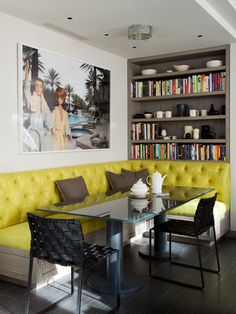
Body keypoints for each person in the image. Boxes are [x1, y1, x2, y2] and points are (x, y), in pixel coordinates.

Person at [23, 60, 54, 151]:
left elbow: (48, 115)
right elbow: (26, 87)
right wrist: (27, 69)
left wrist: (52, 129)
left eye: (41, 86)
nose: (39, 88)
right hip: (33, 133)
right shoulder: (30, 99)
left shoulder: (43, 102)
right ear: (34, 87)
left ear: (42, 88)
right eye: (37, 85)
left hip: (42, 134)